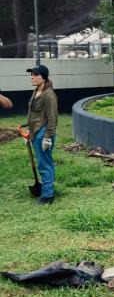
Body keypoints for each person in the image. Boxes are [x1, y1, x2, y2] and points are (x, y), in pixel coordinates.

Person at [26, 65, 58, 205]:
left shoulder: (48, 94)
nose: (32, 77)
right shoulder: (36, 91)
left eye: (35, 74)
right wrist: (29, 130)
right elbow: (35, 114)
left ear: (43, 77)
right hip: (35, 132)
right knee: (44, 163)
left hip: (43, 133)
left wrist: (47, 137)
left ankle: (47, 196)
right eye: (31, 74)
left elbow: (52, 117)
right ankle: (48, 189)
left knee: (44, 164)